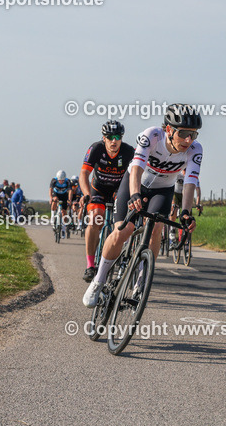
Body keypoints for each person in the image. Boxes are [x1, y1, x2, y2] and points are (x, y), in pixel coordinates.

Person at [83, 105, 202, 307]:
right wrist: (135, 194)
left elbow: (190, 181)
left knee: (156, 227)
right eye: (183, 134)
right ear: (169, 130)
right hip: (134, 183)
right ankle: (98, 280)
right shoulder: (152, 136)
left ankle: (140, 282)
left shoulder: (195, 149)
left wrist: (186, 212)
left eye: (193, 134)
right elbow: (136, 168)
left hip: (163, 190)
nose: (188, 140)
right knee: (123, 230)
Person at [79, 121, 136, 282]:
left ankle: (120, 255)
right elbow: (84, 174)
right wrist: (85, 194)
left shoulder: (128, 151)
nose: (114, 141)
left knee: (123, 224)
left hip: (119, 189)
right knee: (96, 218)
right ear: (104, 138)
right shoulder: (96, 148)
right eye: (110, 137)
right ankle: (90, 265)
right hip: (99, 188)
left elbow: (138, 173)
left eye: (117, 137)